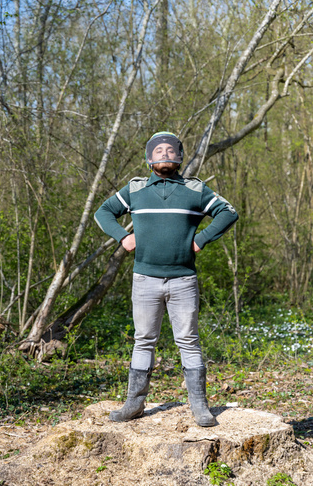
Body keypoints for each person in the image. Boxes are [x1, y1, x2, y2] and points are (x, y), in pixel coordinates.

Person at [94, 131, 238, 427]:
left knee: (188, 341)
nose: (164, 154)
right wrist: (123, 236)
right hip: (145, 279)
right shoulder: (135, 190)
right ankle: (134, 404)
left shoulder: (195, 190)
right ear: (149, 158)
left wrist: (202, 239)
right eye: (158, 150)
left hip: (183, 280)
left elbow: (228, 212)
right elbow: (104, 211)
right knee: (143, 340)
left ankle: (199, 406)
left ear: (179, 157)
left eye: (170, 150)